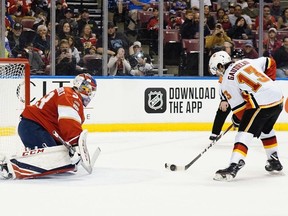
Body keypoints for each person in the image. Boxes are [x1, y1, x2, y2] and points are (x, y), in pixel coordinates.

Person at [0, 73, 97, 179]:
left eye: (90, 91)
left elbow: (62, 126)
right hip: (34, 127)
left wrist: (70, 150)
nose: (88, 93)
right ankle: (6, 167)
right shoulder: (71, 95)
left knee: (65, 161)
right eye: (87, 89)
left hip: (36, 127)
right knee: (55, 159)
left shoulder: (69, 94)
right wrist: (74, 144)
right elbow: (68, 121)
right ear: (79, 84)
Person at [209, 51, 283, 181]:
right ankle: (274, 160)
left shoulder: (227, 81)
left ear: (221, 66)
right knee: (266, 129)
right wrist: (269, 84)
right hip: (278, 98)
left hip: (261, 104)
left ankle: (234, 164)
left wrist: (237, 120)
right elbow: (270, 62)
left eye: (217, 71)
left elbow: (240, 111)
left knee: (244, 133)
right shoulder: (247, 61)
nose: (218, 75)